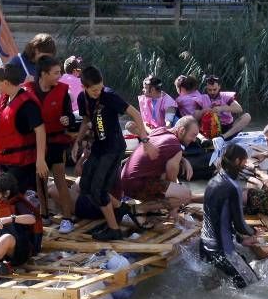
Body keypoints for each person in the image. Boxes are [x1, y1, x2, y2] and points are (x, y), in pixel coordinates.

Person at [71, 66, 156, 241]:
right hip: (98, 147)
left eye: (100, 88)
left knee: (98, 190)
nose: (98, 92)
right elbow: (86, 120)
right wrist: (77, 143)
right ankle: (122, 209)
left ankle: (114, 229)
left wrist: (145, 140)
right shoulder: (83, 99)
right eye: (94, 90)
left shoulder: (109, 96)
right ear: (84, 87)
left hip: (113, 148)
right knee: (86, 185)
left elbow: (136, 114)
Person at [199, 144, 260, 289]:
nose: (245, 167)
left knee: (212, 288)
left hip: (204, 247)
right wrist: (254, 232)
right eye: (244, 163)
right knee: (254, 285)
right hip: (221, 251)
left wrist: (239, 240)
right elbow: (240, 224)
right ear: (238, 161)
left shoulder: (213, 180)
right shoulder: (233, 187)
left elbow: (218, 219)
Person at [27, 56, 76, 233]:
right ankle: (44, 214)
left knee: (59, 178)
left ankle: (67, 218)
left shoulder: (63, 91)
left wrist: (67, 119)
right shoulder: (28, 90)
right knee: (40, 180)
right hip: (36, 142)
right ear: (43, 74)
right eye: (56, 73)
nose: (59, 76)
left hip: (56, 140)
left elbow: (70, 116)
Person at [119, 115, 197, 219]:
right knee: (185, 195)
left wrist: (183, 159)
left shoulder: (160, 131)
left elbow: (162, 149)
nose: (195, 139)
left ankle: (148, 207)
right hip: (137, 185)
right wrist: (174, 209)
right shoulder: (175, 146)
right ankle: (140, 209)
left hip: (125, 182)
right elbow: (171, 180)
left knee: (164, 180)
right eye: (193, 135)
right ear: (182, 130)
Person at [0, 62, 47, 193]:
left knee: (14, 195)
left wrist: (40, 159)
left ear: (5, 83)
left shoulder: (27, 105)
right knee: (6, 194)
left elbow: (40, 130)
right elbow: (2, 130)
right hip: (8, 160)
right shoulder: (6, 99)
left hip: (24, 163)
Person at [197, 74, 251, 141]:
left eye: (214, 89)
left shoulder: (225, 96)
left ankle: (222, 138)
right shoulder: (202, 98)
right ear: (206, 88)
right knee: (192, 122)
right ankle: (204, 139)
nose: (212, 92)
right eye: (209, 90)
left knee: (247, 116)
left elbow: (239, 109)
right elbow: (194, 117)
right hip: (209, 129)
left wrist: (222, 108)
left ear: (219, 87)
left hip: (227, 129)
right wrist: (203, 111)